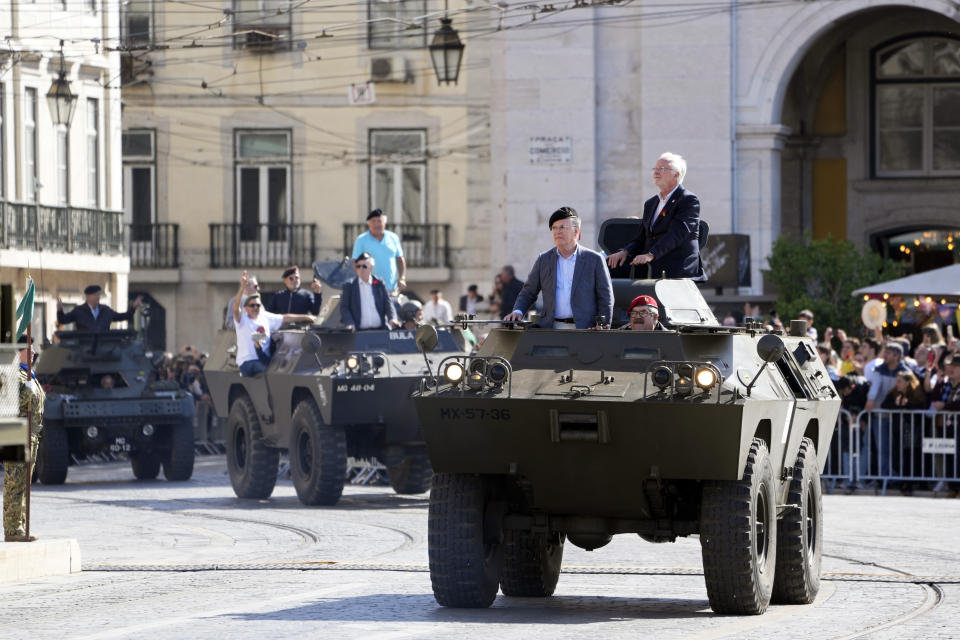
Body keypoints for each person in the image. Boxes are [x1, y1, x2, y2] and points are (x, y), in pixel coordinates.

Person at [504, 207, 614, 329]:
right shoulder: (543, 260)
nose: (557, 232)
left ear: (576, 231)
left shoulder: (594, 260)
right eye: (554, 228)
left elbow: (605, 297)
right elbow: (528, 292)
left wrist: (603, 326)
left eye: (562, 227)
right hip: (551, 329)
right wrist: (518, 311)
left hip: (585, 330)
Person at [605, 152, 705, 280]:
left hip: (677, 268)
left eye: (662, 169)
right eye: (655, 169)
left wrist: (651, 254)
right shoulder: (651, 203)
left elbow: (676, 234)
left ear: (677, 174)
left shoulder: (688, 200)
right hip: (650, 266)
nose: (656, 172)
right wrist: (625, 252)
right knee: (610, 267)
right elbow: (642, 238)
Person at [231, 271, 315, 377]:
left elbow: (285, 317)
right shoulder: (242, 320)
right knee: (272, 375)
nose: (255, 307)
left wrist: (307, 317)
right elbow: (235, 308)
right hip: (248, 362)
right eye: (252, 305)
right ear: (246, 308)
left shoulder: (265, 317)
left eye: (257, 305)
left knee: (279, 370)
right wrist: (242, 288)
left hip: (262, 359)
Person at [4, 337, 44, 542]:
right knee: (15, 483)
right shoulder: (12, 374)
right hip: (16, 434)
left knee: (25, 483)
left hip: (31, 435)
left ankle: (20, 527)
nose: (34, 352)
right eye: (29, 349)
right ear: (18, 352)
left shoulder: (29, 375)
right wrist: (27, 390)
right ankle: (12, 530)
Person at [865, 343, 910, 478]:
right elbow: (875, 388)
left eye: (888, 353)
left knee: (899, 448)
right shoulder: (879, 369)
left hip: (900, 418)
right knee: (882, 449)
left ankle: (899, 476)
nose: (884, 355)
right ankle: (885, 476)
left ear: (897, 356)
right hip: (881, 416)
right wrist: (870, 399)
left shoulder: (906, 371)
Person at [351, 209, 406, 295]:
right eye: (373, 221)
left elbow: (400, 259)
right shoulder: (361, 240)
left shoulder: (393, 237)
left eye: (379, 221)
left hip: (391, 289)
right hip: (370, 289)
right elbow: (355, 263)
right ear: (369, 224)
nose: (377, 224)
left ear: (385, 223)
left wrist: (402, 278)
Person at [340, 253, 400, 331]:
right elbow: (344, 308)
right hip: (359, 332)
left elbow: (388, 303)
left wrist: (392, 318)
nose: (361, 269)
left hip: (380, 331)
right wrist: (349, 323)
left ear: (371, 268)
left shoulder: (379, 283)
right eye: (358, 266)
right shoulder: (350, 285)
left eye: (364, 266)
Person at [56, 285, 143, 332]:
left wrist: (133, 307)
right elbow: (63, 320)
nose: (98, 297)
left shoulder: (105, 310)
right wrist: (60, 310)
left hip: (104, 346)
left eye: (98, 295)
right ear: (87, 296)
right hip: (84, 348)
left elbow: (123, 316)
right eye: (95, 295)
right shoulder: (79, 311)